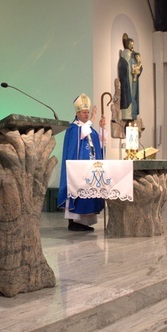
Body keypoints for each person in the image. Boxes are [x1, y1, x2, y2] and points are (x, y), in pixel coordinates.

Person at [57, 93, 105, 231]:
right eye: (84, 112)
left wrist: (102, 127)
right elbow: (82, 133)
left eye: (88, 112)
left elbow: (100, 143)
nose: (86, 114)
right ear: (77, 113)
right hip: (78, 169)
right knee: (78, 191)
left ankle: (84, 222)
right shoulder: (73, 129)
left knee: (89, 193)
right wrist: (94, 118)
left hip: (90, 167)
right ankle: (74, 221)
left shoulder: (89, 129)